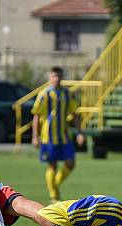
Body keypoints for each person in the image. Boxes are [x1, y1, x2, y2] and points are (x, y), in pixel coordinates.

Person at [32, 67, 85, 202]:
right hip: (48, 137)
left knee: (71, 163)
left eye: (59, 76)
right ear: (50, 77)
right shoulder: (44, 94)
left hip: (64, 135)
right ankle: (53, 196)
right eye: (54, 76)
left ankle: (54, 184)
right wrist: (35, 136)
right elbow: (36, 116)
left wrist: (79, 132)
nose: (57, 79)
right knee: (52, 165)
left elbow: (75, 114)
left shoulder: (67, 94)